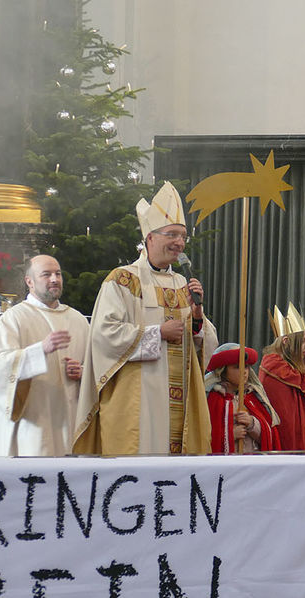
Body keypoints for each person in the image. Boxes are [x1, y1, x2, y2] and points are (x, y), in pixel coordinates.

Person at [74, 181, 218, 455]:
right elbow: (104, 334)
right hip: (138, 400)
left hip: (181, 401)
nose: (179, 243)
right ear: (150, 237)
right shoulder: (124, 279)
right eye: (172, 234)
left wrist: (197, 318)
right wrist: (157, 333)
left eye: (183, 236)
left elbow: (200, 344)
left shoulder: (181, 282)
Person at [0, 254, 89, 456]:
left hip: (69, 417)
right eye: (46, 274)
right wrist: (39, 350)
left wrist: (83, 371)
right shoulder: (14, 318)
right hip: (32, 421)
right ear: (29, 281)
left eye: (58, 274)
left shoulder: (78, 320)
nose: (54, 279)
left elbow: (96, 365)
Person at [258, 303, 305, 450]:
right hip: (284, 447)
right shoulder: (274, 369)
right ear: (286, 342)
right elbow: (286, 419)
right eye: (303, 340)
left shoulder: (296, 372)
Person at [205, 342, 280, 454]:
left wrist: (252, 424)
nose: (244, 372)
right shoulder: (213, 399)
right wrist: (230, 435)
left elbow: (270, 436)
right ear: (223, 371)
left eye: (246, 367)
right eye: (237, 367)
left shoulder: (252, 397)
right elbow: (203, 438)